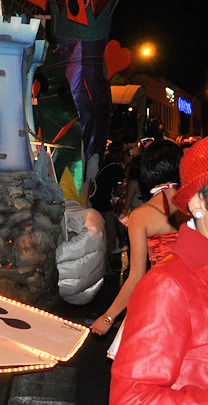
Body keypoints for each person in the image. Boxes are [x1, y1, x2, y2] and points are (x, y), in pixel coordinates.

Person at [110, 136, 208, 403]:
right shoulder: (167, 288)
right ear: (197, 203)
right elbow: (132, 398)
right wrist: (108, 318)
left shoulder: (142, 214)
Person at [89, 140, 183, 354]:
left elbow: (136, 276)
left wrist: (108, 317)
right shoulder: (197, 203)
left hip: (164, 300)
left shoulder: (141, 216)